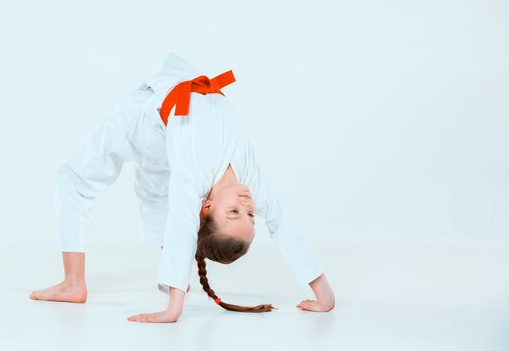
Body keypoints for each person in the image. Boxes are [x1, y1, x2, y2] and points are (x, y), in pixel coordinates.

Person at [29, 52, 335, 323]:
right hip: (169, 125)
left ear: (207, 207)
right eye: (250, 214)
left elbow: (183, 225)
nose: (245, 202)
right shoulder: (250, 182)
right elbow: (284, 224)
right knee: (155, 188)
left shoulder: (193, 178)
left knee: (73, 179)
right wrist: (324, 293)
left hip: (141, 118)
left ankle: (73, 283)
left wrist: (173, 308)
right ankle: (167, 278)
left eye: (233, 212)